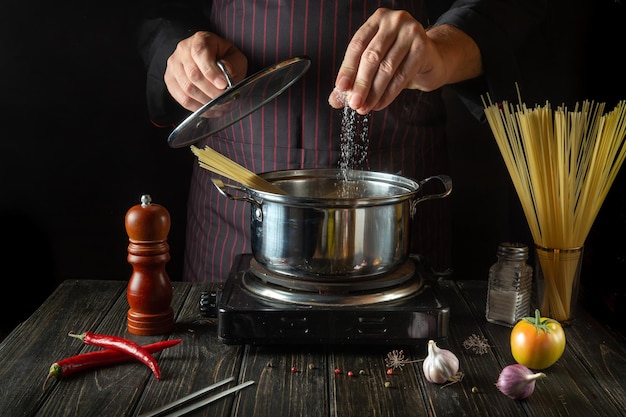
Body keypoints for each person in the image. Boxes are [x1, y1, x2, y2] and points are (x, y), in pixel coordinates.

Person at [137, 1, 585, 283]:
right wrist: (178, 51)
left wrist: (442, 48)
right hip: (238, 189)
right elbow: (158, 11)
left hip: (399, 183)